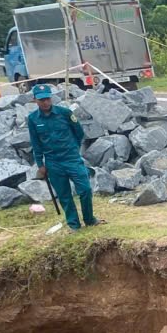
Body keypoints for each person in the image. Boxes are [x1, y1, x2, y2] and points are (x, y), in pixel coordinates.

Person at [26, 84, 102, 231]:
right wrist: (40, 164)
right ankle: (74, 225)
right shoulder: (33, 119)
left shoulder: (65, 113)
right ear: (35, 100)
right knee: (64, 195)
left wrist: (73, 148)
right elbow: (36, 143)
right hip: (53, 162)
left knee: (85, 189)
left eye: (47, 99)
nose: (45, 102)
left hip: (71, 158)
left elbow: (79, 132)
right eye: (41, 100)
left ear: (51, 98)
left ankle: (89, 219)